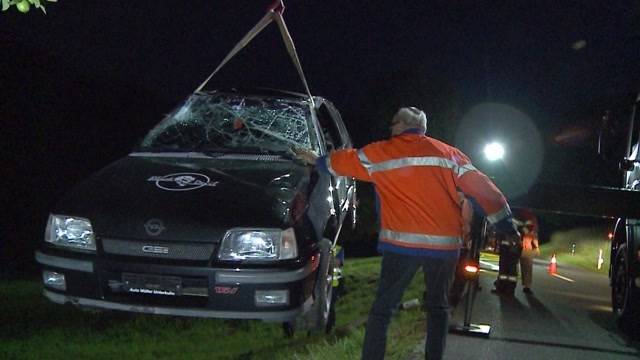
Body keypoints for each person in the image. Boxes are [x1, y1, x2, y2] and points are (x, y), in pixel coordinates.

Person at [295, 107, 519, 360]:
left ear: (401, 125)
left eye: (392, 124)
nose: (390, 129)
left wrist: (317, 160)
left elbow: (343, 161)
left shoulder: (381, 153)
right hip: (444, 248)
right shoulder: (448, 154)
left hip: (400, 246)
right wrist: (506, 226)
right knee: (438, 307)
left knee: (383, 309)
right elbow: (484, 189)